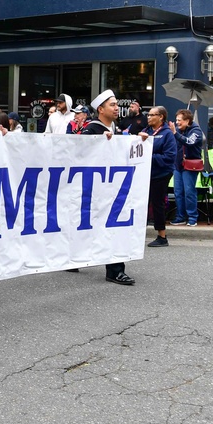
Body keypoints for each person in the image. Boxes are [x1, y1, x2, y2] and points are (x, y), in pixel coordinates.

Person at [80, 89, 136, 285]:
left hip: (113, 188)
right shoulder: (91, 130)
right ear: (101, 109)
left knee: (115, 227)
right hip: (95, 190)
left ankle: (115, 270)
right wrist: (97, 143)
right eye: (112, 105)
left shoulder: (117, 129)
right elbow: (79, 154)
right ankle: (73, 256)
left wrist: (140, 143)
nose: (116, 108)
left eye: (116, 104)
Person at [142, 106, 176, 246]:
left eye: (152, 115)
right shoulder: (146, 131)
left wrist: (149, 154)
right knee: (142, 204)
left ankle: (162, 236)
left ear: (161, 117)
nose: (148, 117)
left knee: (158, 203)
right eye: (148, 115)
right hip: (145, 173)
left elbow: (169, 157)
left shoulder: (167, 134)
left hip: (161, 174)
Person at [169, 109, 204, 227]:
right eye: (176, 120)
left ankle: (192, 217)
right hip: (178, 165)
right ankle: (180, 216)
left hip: (190, 165)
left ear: (187, 121)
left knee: (189, 191)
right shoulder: (178, 130)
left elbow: (190, 142)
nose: (177, 122)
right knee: (178, 192)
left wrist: (175, 133)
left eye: (179, 120)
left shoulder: (196, 130)